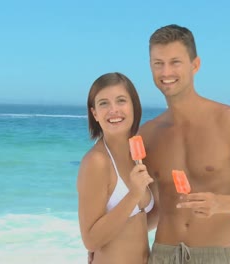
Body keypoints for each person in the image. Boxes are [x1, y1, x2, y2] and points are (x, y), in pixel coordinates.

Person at [139, 24, 230, 263]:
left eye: (175, 62)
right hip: (162, 254)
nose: (166, 72)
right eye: (158, 63)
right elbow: (155, 212)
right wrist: (112, 245)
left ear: (195, 65)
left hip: (216, 255)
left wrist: (220, 203)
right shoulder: (148, 134)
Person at [77, 72, 155, 264]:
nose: (114, 110)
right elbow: (91, 240)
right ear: (94, 113)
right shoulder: (96, 162)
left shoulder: (139, 156)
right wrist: (134, 195)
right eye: (103, 103)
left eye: (121, 101)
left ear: (134, 107)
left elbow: (141, 221)